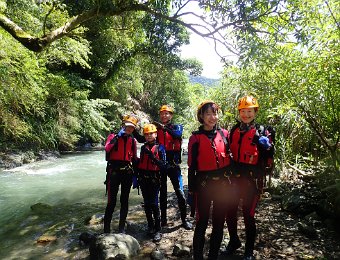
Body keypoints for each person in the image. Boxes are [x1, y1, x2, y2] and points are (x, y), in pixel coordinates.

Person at [225, 95, 275, 260]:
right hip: (235, 179)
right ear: (239, 112)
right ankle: (234, 241)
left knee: (249, 215)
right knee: (230, 212)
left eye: (250, 111)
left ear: (255, 111)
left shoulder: (263, 131)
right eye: (243, 111)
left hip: (252, 181)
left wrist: (267, 146)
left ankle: (249, 250)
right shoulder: (234, 130)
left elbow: (269, 158)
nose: (246, 114)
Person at [188, 100, 234, 260]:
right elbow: (192, 166)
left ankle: (213, 255)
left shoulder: (225, 134)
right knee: (201, 222)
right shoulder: (195, 138)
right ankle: (198, 257)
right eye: (208, 113)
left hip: (222, 184)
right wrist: (191, 189)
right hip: (204, 185)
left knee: (219, 222)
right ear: (201, 116)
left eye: (214, 113)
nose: (212, 117)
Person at [154, 104, 192, 230]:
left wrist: (164, 128)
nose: (164, 115)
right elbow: (144, 138)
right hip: (162, 165)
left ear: (171, 115)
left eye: (167, 113)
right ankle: (163, 220)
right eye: (162, 113)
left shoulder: (177, 126)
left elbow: (177, 134)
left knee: (180, 193)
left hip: (174, 166)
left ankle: (184, 220)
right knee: (163, 194)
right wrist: (132, 130)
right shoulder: (156, 129)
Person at [103, 115, 138, 234]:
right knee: (111, 202)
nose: (129, 129)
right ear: (123, 125)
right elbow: (107, 149)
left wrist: (138, 174)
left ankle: (121, 228)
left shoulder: (132, 140)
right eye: (127, 126)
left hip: (127, 173)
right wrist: (118, 136)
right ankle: (106, 230)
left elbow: (134, 158)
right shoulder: (113, 136)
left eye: (131, 128)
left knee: (124, 200)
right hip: (114, 173)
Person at [137, 123, 167, 242]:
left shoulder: (160, 148)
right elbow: (141, 163)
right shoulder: (143, 148)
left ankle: (158, 229)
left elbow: (163, 166)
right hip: (143, 178)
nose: (149, 136)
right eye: (146, 134)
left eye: (151, 134)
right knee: (147, 203)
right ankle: (150, 226)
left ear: (155, 134)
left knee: (154, 204)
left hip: (155, 178)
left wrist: (152, 157)